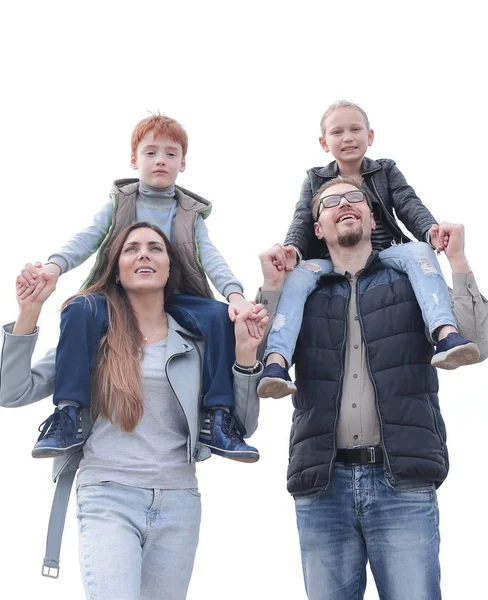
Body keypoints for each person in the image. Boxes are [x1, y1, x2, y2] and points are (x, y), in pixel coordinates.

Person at [1, 222, 267, 599]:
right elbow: (11, 392)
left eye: (155, 248)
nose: (144, 254)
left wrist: (245, 355)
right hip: (108, 495)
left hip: (178, 500)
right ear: (117, 268)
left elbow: (244, 426)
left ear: (170, 268)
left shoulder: (196, 341)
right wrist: (29, 311)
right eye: (132, 249)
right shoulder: (91, 337)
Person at [257, 178, 488, 599]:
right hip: (322, 485)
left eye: (354, 198)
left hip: (402, 481)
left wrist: (457, 262)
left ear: (372, 215)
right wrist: (271, 289)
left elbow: (477, 342)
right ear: (318, 229)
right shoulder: (303, 291)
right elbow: (255, 364)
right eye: (329, 202)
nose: (343, 205)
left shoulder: (412, 280)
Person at [16, 114, 260, 461]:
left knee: (220, 317)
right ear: (134, 160)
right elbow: (87, 238)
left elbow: (211, 257)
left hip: (175, 296)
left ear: (183, 163)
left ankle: (218, 417)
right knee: (78, 309)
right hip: (117, 294)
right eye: (150, 152)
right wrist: (55, 266)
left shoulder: (189, 213)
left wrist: (235, 295)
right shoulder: (122, 202)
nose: (160, 160)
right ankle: (69, 412)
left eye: (170, 153)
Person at [257, 100, 479, 399]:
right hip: (329, 259)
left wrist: (429, 231)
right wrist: (293, 251)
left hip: (384, 253)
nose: (347, 137)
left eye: (355, 129)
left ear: (369, 136)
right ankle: (276, 363)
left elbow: (408, 204)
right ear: (324, 143)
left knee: (420, 254)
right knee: (296, 279)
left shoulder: (385, 170)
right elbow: (302, 219)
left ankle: (446, 334)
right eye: (338, 132)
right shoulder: (314, 179)